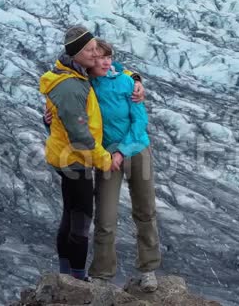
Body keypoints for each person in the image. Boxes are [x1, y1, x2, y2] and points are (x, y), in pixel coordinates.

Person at [87, 39, 161, 292]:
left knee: (145, 210)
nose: (106, 62)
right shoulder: (85, 86)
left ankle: (148, 270)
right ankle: (101, 274)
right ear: (88, 60)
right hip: (106, 155)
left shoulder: (127, 81)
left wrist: (122, 150)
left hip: (137, 149)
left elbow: (139, 120)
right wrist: (47, 118)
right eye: (99, 57)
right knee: (105, 217)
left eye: (109, 57)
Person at [39, 25, 112, 280]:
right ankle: (77, 280)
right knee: (80, 219)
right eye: (90, 50)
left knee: (70, 213)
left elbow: (60, 118)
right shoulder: (70, 86)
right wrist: (105, 160)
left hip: (65, 155)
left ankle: (65, 274)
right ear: (76, 53)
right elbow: (79, 134)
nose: (95, 54)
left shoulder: (74, 74)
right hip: (75, 159)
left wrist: (136, 80)